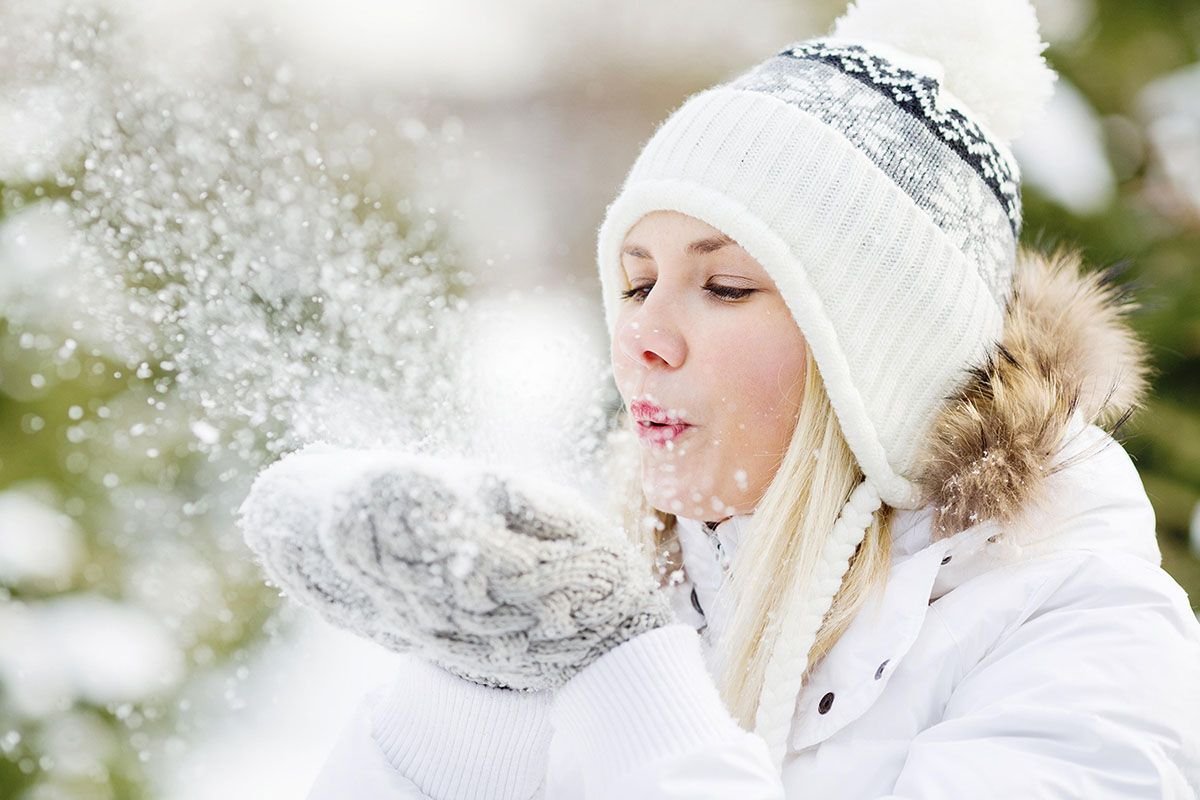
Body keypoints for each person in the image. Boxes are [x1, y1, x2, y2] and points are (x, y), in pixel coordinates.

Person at [236, 0, 1200, 797]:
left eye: (727, 285)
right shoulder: (662, 580)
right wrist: (477, 688)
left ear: (879, 352)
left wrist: (624, 675)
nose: (643, 337)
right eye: (636, 281)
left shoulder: (1083, 637)